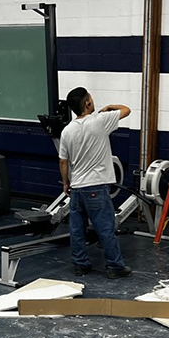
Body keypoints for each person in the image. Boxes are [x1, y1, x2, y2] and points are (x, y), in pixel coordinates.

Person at [59, 87, 132, 279]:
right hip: (96, 188)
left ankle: (80, 265)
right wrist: (109, 107)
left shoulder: (67, 130)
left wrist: (66, 184)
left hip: (77, 189)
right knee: (105, 228)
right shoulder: (101, 121)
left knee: (76, 230)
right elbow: (126, 110)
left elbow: (63, 162)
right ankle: (115, 267)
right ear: (87, 104)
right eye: (90, 98)